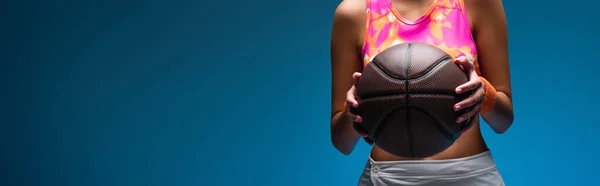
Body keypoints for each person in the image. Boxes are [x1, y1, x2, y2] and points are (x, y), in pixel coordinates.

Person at [329, 0, 514, 185]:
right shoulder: (353, 12)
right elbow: (341, 143)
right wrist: (352, 109)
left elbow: (503, 121)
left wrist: (483, 93)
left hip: (469, 176)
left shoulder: (478, 3)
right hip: (387, 178)